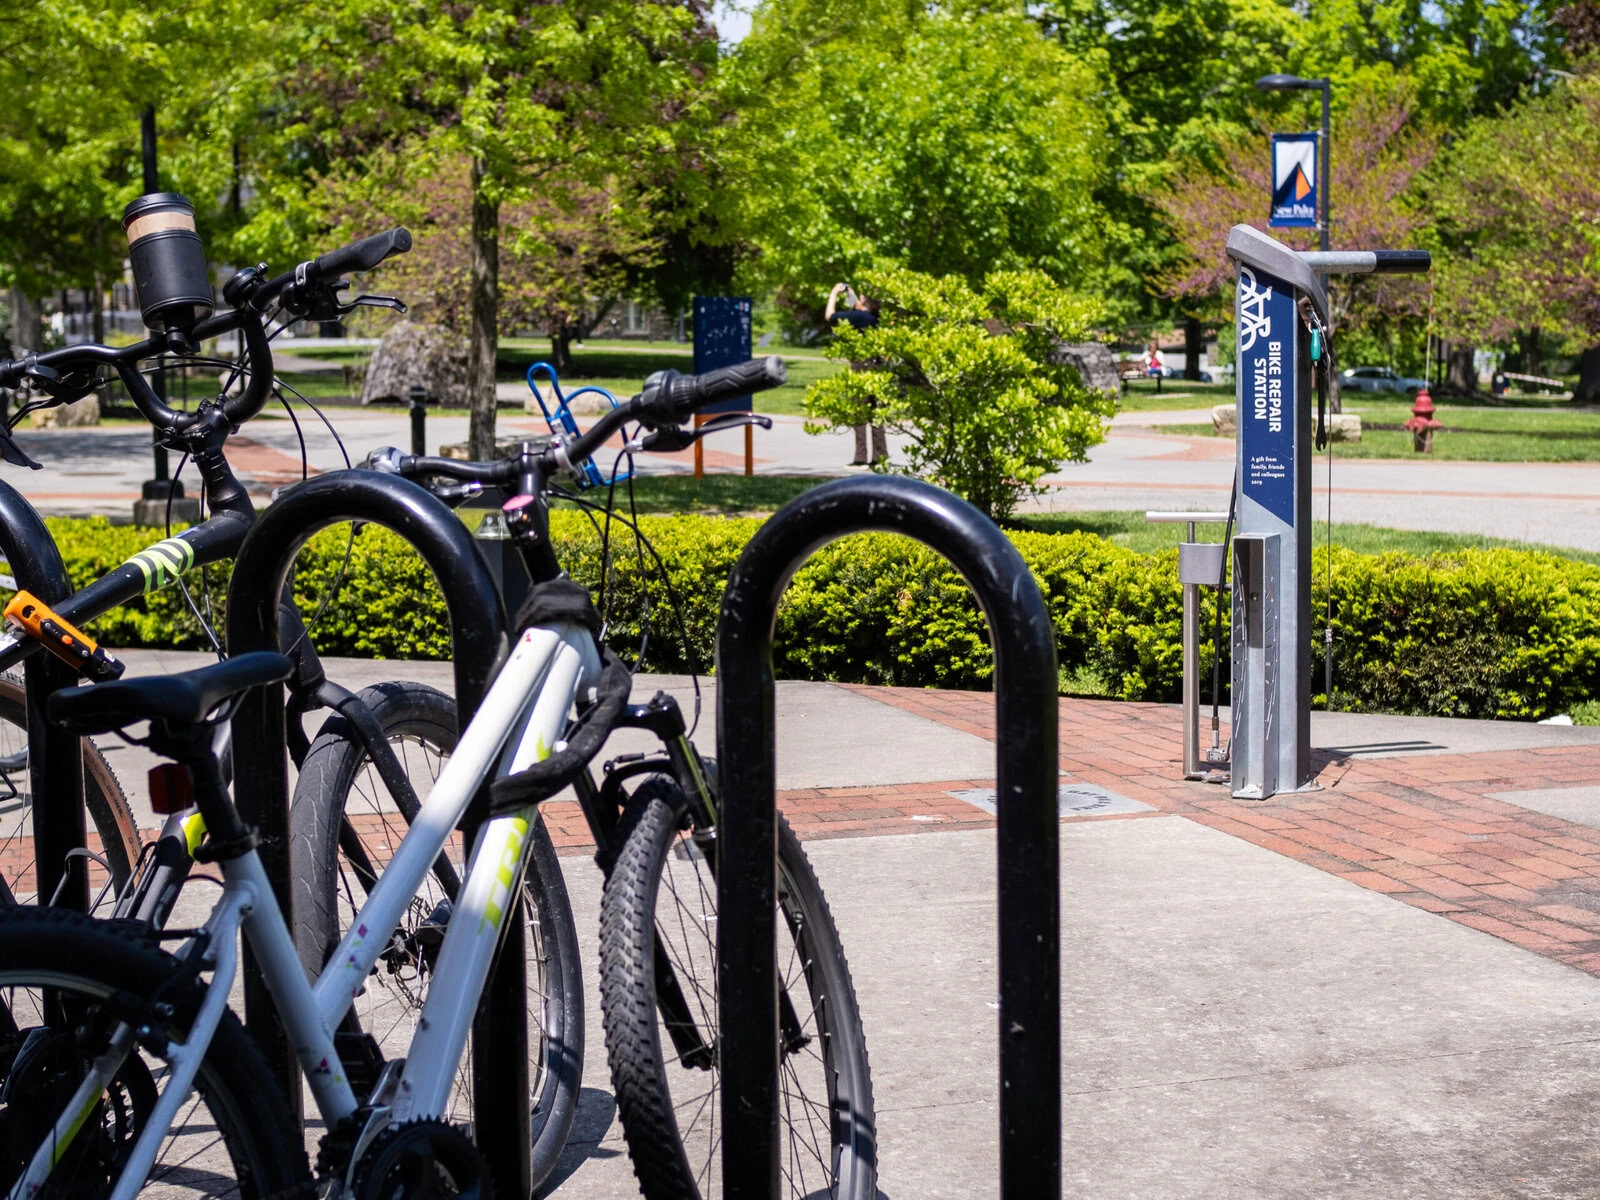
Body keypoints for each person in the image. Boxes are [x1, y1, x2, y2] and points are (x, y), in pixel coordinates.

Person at [825, 282, 888, 466]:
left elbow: (830, 316)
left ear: (865, 300)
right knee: (877, 412)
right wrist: (852, 297)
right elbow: (860, 309)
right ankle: (880, 456)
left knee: (859, 411)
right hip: (877, 366)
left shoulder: (858, 317)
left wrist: (834, 294)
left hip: (861, 365)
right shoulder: (877, 317)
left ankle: (860, 456)